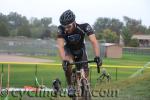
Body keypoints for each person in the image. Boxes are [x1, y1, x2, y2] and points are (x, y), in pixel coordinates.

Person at [57, 9, 102, 96]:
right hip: (69, 50)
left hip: (80, 49)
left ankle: (84, 85)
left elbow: (94, 41)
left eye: (68, 26)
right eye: (64, 26)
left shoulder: (84, 26)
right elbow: (60, 46)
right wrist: (64, 60)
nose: (66, 29)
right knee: (68, 65)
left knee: (85, 72)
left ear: (74, 22)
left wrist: (97, 56)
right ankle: (70, 86)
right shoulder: (61, 29)